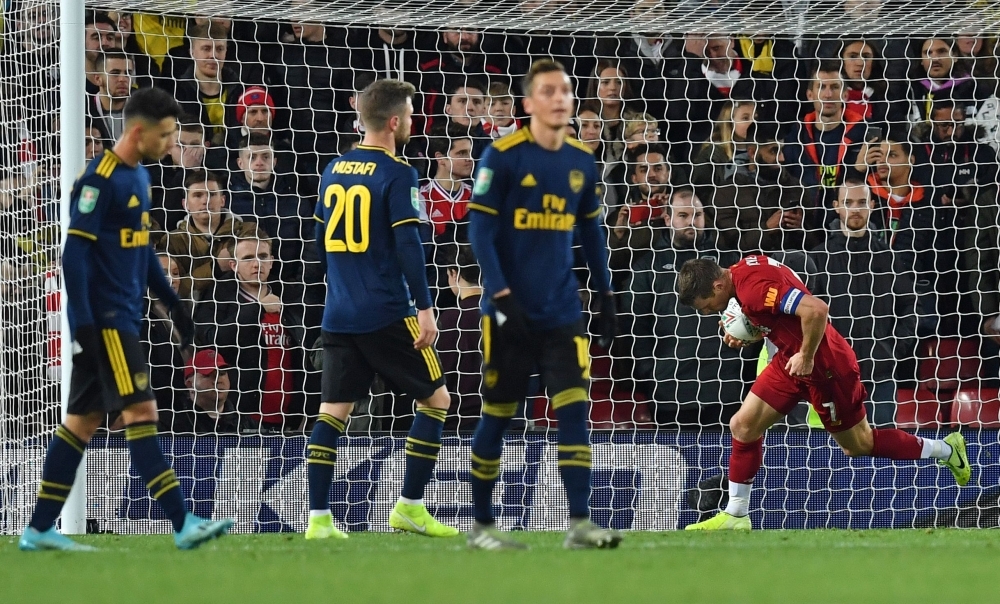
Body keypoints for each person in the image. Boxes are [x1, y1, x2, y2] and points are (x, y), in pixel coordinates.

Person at [18, 88, 233, 551]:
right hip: (108, 319)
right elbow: (73, 255)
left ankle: (38, 528)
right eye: (166, 135)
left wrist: (172, 305)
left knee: (81, 423)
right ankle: (183, 523)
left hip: (127, 314)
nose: (171, 143)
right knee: (141, 412)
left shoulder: (141, 177)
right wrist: (83, 324)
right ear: (138, 131)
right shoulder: (100, 179)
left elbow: (143, 251)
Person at [678, 255, 971, 531]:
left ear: (717, 285)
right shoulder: (743, 269)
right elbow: (775, 312)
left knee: (858, 445)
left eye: (705, 305)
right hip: (789, 361)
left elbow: (815, 309)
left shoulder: (753, 288)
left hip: (825, 365)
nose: (707, 311)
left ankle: (946, 449)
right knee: (743, 425)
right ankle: (736, 515)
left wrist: (805, 355)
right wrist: (751, 330)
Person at [466, 59, 620, 550]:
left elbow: (592, 232)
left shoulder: (581, 161)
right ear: (528, 103)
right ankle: (483, 527)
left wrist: (606, 291)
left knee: (575, 409)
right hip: (509, 312)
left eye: (566, 91)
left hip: (561, 312)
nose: (559, 99)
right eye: (548, 91)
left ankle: (580, 524)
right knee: (498, 414)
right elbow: (480, 229)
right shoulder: (503, 154)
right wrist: (500, 292)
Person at [305, 78, 458, 540]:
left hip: (339, 313)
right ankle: (409, 506)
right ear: (395, 122)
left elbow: (318, 243)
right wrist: (427, 308)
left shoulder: (333, 168)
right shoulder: (398, 173)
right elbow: (410, 245)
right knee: (436, 400)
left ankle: (318, 521)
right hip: (389, 312)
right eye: (410, 115)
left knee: (332, 412)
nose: (412, 122)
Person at [621, 188, 747, 425]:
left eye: (697, 215)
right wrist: (650, 372)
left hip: (726, 389)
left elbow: (750, 312)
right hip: (671, 390)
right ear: (668, 219)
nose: (692, 221)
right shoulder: (647, 266)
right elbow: (635, 324)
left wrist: (741, 368)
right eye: (683, 215)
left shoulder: (729, 262)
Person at [809, 178, 919, 426]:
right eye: (848, 202)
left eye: (861, 202)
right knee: (831, 456)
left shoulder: (889, 258)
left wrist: (894, 350)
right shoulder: (818, 258)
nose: (855, 209)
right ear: (837, 206)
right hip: (831, 377)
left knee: (881, 452)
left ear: (871, 205)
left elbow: (909, 306)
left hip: (880, 374)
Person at [194, 236, 307, 434]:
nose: (257, 264)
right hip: (242, 421)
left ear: (272, 261)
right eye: (247, 258)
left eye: (263, 257)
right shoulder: (217, 297)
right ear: (233, 265)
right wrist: (257, 309)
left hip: (291, 422)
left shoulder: (291, 297)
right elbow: (213, 341)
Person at [436, 245, 484, 430]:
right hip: (501, 422)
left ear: (453, 273)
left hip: (456, 423)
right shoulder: (506, 316)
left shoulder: (447, 320)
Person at [172, 349, 249, 435]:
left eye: (222, 373)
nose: (218, 380)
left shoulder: (246, 424)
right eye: (208, 375)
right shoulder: (173, 424)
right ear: (190, 384)